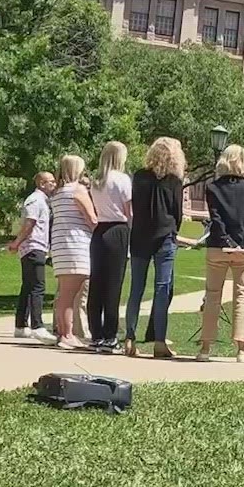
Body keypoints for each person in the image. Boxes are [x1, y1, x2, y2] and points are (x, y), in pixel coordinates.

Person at [197, 144, 244, 362]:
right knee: (241, 298)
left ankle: (205, 348)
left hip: (217, 246)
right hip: (243, 250)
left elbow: (215, 218)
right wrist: (242, 243)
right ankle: (242, 349)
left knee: (212, 296)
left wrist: (227, 240)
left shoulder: (213, 187)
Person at [123, 137, 186, 358]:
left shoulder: (139, 177)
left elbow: (136, 206)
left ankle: (129, 337)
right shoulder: (174, 181)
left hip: (140, 235)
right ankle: (159, 341)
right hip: (165, 237)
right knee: (162, 289)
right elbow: (177, 213)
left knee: (136, 289)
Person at [83, 142, 134, 352]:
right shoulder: (122, 179)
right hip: (118, 229)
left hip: (99, 230)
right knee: (113, 285)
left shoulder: (96, 181)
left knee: (97, 284)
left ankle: (96, 334)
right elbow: (129, 211)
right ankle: (111, 335)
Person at [48, 154, 97, 350]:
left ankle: (63, 332)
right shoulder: (78, 190)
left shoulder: (58, 193)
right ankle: (67, 334)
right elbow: (92, 219)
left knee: (64, 293)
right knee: (70, 294)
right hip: (76, 244)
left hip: (60, 244)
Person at [6, 171, 57, 342]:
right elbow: (30, 223)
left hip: (34, 247)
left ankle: (21, 325)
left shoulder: (42, 200)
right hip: (34, 247)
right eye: (51, 182)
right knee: (38, 286)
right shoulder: (36, 200)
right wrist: (16, 242)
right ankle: (37, 325)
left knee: (27, 286)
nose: (54, 184)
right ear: (41, 183)